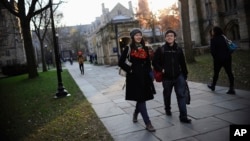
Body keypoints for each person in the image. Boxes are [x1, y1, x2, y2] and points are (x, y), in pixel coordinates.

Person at [118, 28, 156, 132]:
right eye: (136, 35)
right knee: (141, 99)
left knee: (142, 98)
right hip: (134, 78)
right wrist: (130, 70)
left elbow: (148, 62)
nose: (138, 37)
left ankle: (136, 112)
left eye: (140, 35)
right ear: (132, 37)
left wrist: (151, 74)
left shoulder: (145, 47)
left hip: (145, 77)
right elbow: (121, 62)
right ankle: (148, 123)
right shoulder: (128, 48)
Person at [152, 30, 191, 123]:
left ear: (175, 37)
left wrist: (185, 75)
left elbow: (183, 63)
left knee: (181, 95)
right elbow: (154, 62)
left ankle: (183, 116)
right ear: (165, 38)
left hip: (178, 77)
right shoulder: (161, 49)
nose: (169, 37)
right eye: (168, 36)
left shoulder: (178, 49)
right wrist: (161, 69)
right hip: (166, 78)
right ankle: (167, 108)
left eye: (171, 36)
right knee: (167, 95)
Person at [207, 26, 235, 94]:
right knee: (229, 73)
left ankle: (213, 86)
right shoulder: (224, 38)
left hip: (218, 60)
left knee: (216, 73)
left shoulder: (213, 39)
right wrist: (228, 54)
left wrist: (216, 58)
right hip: (227, 58)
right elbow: (229, 47)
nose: (212, 32)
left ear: (215, 32)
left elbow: (212, 51)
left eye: (213, 31)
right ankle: (231, 88)